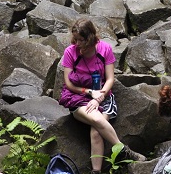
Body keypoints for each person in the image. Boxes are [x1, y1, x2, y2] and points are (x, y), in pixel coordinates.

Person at [59, 19, 143, 173]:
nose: (76, 43)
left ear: (89, 38)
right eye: (75, 39)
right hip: (78, 96)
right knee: (96, 119)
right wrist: (90, 93)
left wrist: (99, 97)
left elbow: (110, 79)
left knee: (96, 131)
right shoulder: (70, 52)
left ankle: (96, 171)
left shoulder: (105, 49)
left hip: (103, 94)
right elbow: (69, 84)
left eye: (80, 40)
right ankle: (123, 149)